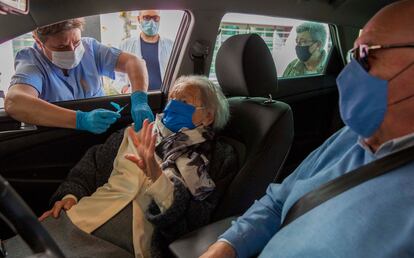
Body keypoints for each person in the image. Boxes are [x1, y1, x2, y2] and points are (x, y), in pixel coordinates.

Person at [201, 0, 414, 257]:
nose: (349, 72)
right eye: (352, 55)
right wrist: (227, 246)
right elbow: (277, 202)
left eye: (366, 54)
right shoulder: (347, 138)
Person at [32, 75, 238, 258]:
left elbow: (195, 222)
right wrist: (69, 196)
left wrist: (158, 178)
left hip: (128, 244)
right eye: (172, 99)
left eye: (183, 101)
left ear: (208, 116)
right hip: (81, 217)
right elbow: (91, 166)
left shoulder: (218, 158)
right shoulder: (137, 131)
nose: (174, 105)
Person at [4, 18, 153, 134]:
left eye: (76, 42)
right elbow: (14, 102)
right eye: (61, 47)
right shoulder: (32, 61)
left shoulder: (91, 49)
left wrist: (139, 98)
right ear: (38, 42)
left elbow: (134, 62)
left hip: (101, 135)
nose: (72, 51)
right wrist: (81, 120)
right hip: (58, 139)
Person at [115, 10, 174, 93]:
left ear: (159, 19)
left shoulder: (171, 45)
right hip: (137, 99)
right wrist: (124, 89)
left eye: (155, 18)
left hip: (164, 97)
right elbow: (116, 74)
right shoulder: (125, 45)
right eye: (146, 17)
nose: (151, 22)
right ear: (139, 19)